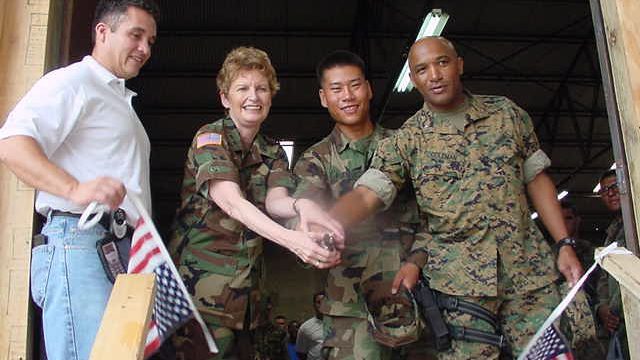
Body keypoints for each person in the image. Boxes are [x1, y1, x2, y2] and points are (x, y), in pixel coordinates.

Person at [327, 36, 584, 359]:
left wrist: (563, 244)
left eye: (442, 63)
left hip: (528, 275)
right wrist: (328, 222)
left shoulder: (506, 114)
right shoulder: (407, 140)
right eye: (422, 69)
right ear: (414, 79)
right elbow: (368, 195)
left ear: (459, 64)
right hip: (460, 291)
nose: (434, 75)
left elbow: (536, 178)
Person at [0, 1, 159, 359]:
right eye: (135, 35)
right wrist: (74, 188)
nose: (145, 49)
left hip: (116, 251)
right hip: (81, 243)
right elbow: (12, 143)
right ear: (103, 32)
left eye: (150, 40)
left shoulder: (119, 100)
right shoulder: (75, 82)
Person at [169, 46, 343, 360]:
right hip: (202, 293)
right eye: (243, 88)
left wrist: (303, 207)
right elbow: (233, 203)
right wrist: (294, 241)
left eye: (262, 88)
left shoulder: (272, 150)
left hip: (249, 296)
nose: (254, 96)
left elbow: (276, 200)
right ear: (225, 98)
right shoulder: (209, 138)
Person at [292, 50, 421, 359]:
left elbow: (434, 214)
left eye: (355, 85)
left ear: (369, 89)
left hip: (413, 291)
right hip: (350, 306)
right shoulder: (315, 161)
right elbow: (306, 217)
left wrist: (418, 259)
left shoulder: (403, 145)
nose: (348, 96)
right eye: (336, 89)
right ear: (324, 97)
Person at [595, 169, 628, 359]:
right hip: (621, 325)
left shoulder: (634, 225)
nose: (610, 193)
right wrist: (602, 308)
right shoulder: (612, 234)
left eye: (615, 186)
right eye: (604, 190)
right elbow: (603, 277)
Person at [296, 292, 326, 360]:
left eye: (324, 302)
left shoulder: (338, 324)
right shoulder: (305, 327)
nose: (322, 305)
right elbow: (301, 353)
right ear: (314, 305)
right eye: (318, 302)